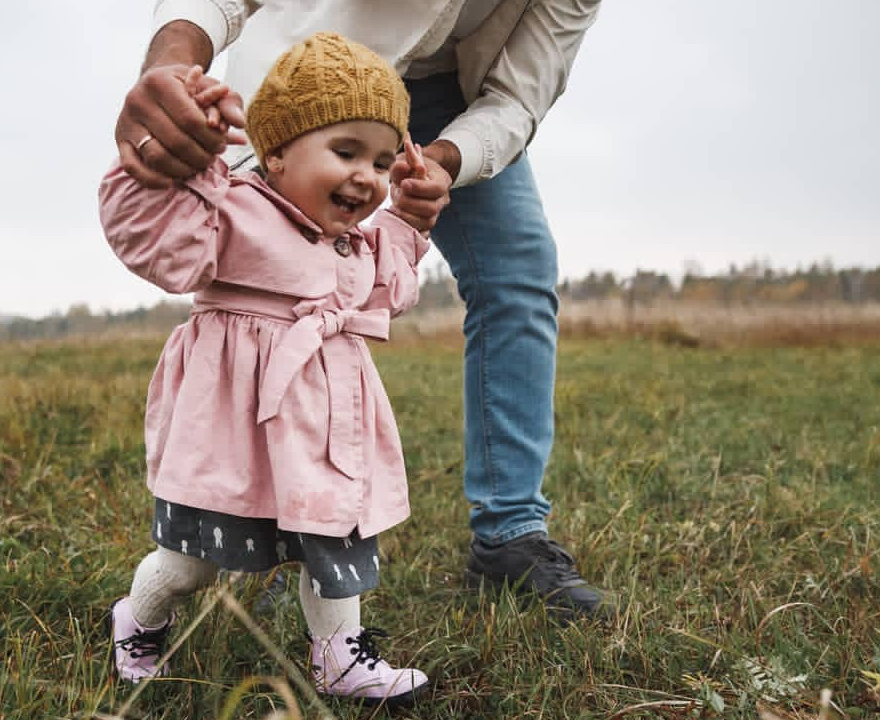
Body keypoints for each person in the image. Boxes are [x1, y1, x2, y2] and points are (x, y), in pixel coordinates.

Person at [116, 1, 607, 619]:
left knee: (520, 275)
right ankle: (273, 524)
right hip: (316, 73)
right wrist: (169, 63)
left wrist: (443, 163)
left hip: (453, 100)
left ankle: (511, 535)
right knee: (275, 285)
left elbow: (518, 96)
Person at [100, 32, 436, 707]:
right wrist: (176, 170)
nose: (366, 176)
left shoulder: (355, 243)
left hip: (323, 428)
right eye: (345, 152)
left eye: (381, 159)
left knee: (334, 539)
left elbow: (388, 289)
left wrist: (408, 219)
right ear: (276, 152)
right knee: (191, 562)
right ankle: (138, 617)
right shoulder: (230, 207)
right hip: (232, 430)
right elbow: (156, 247)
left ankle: (340, 657)